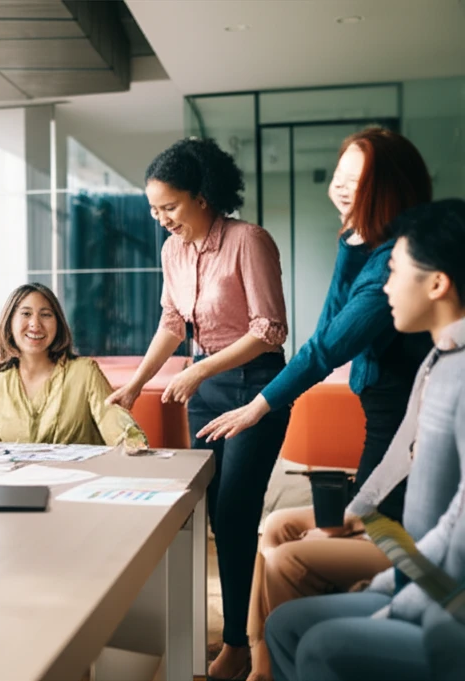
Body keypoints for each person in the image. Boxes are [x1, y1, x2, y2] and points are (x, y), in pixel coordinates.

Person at [196, 130, 434, 681]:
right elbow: (329, 323)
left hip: (402, 506)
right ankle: (253, 660)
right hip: (383, 461)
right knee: (277, 525)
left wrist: (258, 405)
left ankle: (274, 666)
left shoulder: (395, 268)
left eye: (356, 181)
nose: (340, 188)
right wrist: (350, 241)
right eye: (339, 177)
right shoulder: (372, 252)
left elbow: (326, 348)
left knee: (288, 553)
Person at [105, 137, 291, 680]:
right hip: (203, 391)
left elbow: (270, 329)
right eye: (154, 210)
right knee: (212, 515)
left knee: (235, 514)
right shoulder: (173, 252)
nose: (161, 219)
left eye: (169, 206)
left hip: (255, 386)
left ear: (202, 196)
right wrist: (136, 384)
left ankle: (243, 645)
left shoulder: (248, 241)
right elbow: (172, 323)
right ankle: (236, 633)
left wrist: (199, 370)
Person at [264, 199, 465, 681]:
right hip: (420, 573)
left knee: (322, 645)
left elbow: (458, 531)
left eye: (394, 271)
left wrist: (398, 601)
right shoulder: (437, 361)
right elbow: (398, 459)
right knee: (285, 626)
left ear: (437, 284)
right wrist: (382, 572)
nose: (384, 287)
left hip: (449, 606)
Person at [0, 283, 147, 448]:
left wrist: (133, 444)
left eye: (46, 315)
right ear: (9, 322)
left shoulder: (84, 372)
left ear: (58, 323)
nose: (35, 324)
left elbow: (114, 423)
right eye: (26, 314)